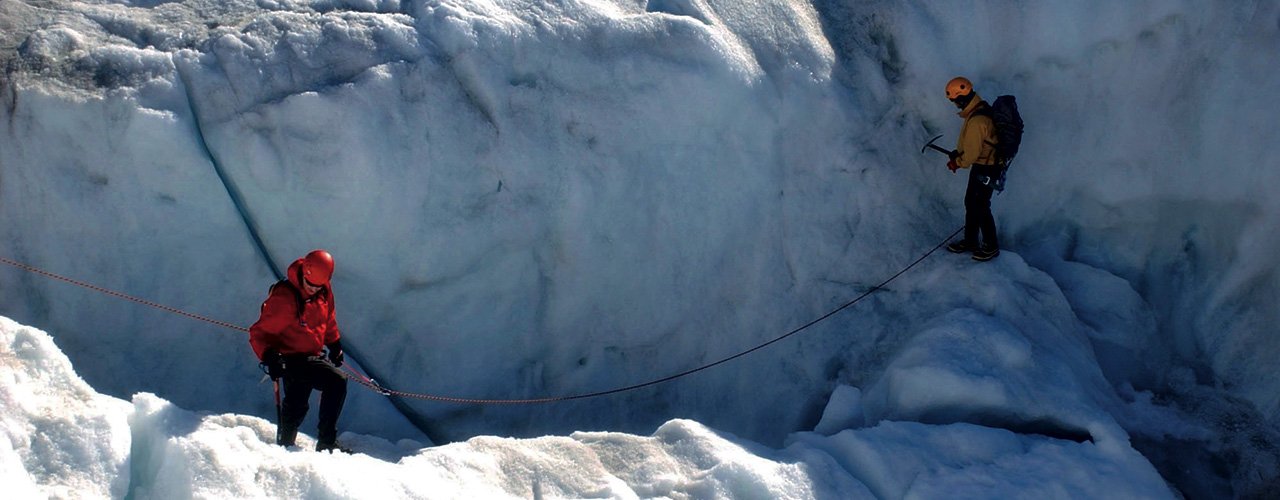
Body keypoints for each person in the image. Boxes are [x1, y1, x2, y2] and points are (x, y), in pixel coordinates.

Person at [250, 249, 348, 451]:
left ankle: (289, 445)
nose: (313, 289)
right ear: (304, 273)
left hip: (311, 355)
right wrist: (269, 356)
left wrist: (335, 344)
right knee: (333, 383)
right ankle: (322, 444)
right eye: (310, 284)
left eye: (317, 286)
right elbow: (259, 333)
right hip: (289, 358)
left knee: (300, 402)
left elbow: (328, 318)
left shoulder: (323, 290)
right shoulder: (285, 298)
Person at [943, 76, 1001, 261]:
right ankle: (970, 241)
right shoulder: (979, 109)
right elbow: (974, 146)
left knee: (981, 205)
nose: (955, 105)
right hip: (984, 165)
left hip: (987, 168)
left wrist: (957, 162)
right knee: (972, 202)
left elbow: (971, 156)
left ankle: (991, 246)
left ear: (961, 98)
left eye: (955, 101)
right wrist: (958, 153)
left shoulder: (977, 120)